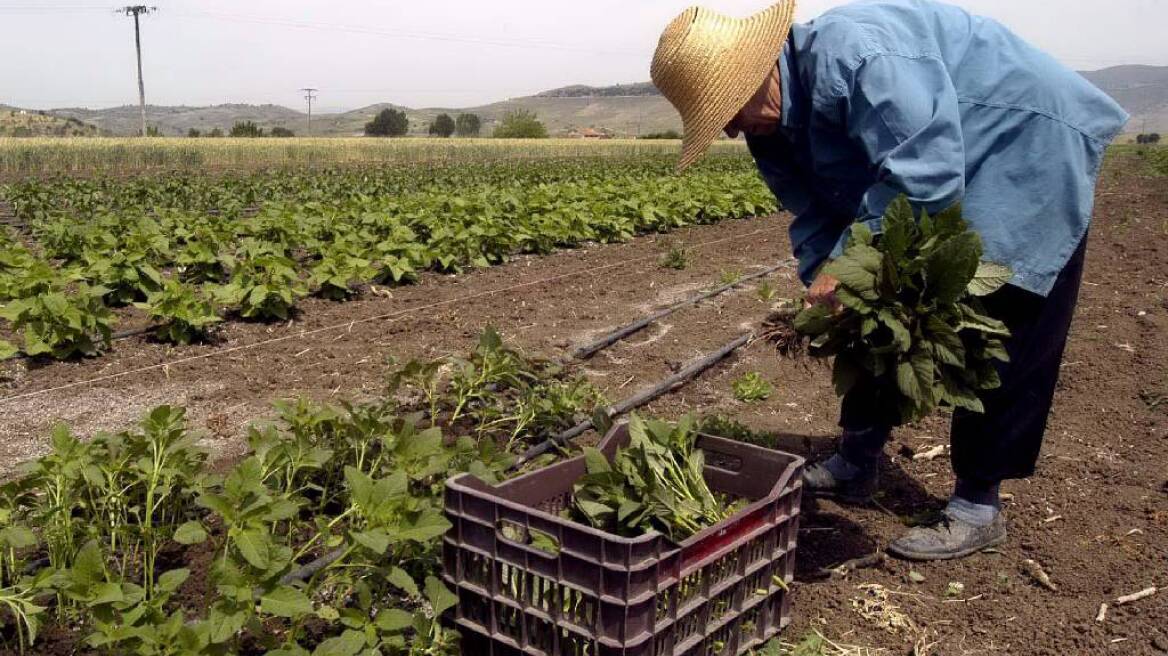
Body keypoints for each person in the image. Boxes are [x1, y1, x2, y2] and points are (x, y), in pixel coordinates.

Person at [650, 0, 1128, 560]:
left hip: (1024, 137)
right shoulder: (769, 127)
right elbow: (811, 214)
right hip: (941, 153)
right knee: (867, 306)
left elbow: (926, 175)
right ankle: (857, 461)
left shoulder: (857, 56)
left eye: (727, 108)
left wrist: (848, 264)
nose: (729, 128)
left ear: (760, 70)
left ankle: (979, 502)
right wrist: (829, 277)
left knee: (1003, 310)